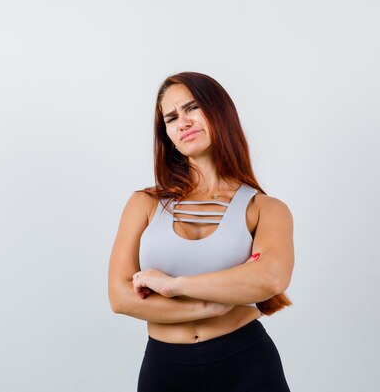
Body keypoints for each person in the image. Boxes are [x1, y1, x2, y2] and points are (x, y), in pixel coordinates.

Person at [107, 71, 294, 392]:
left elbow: (269, 280)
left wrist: (173, 285)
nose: (183, 122)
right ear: (166, 134)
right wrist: (214, 304)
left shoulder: (266, 209)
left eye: (192, 108)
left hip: (247, 362)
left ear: (219, 112)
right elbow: (121, 298)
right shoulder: (143, 203)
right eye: (171, 117)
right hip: (165, 367)